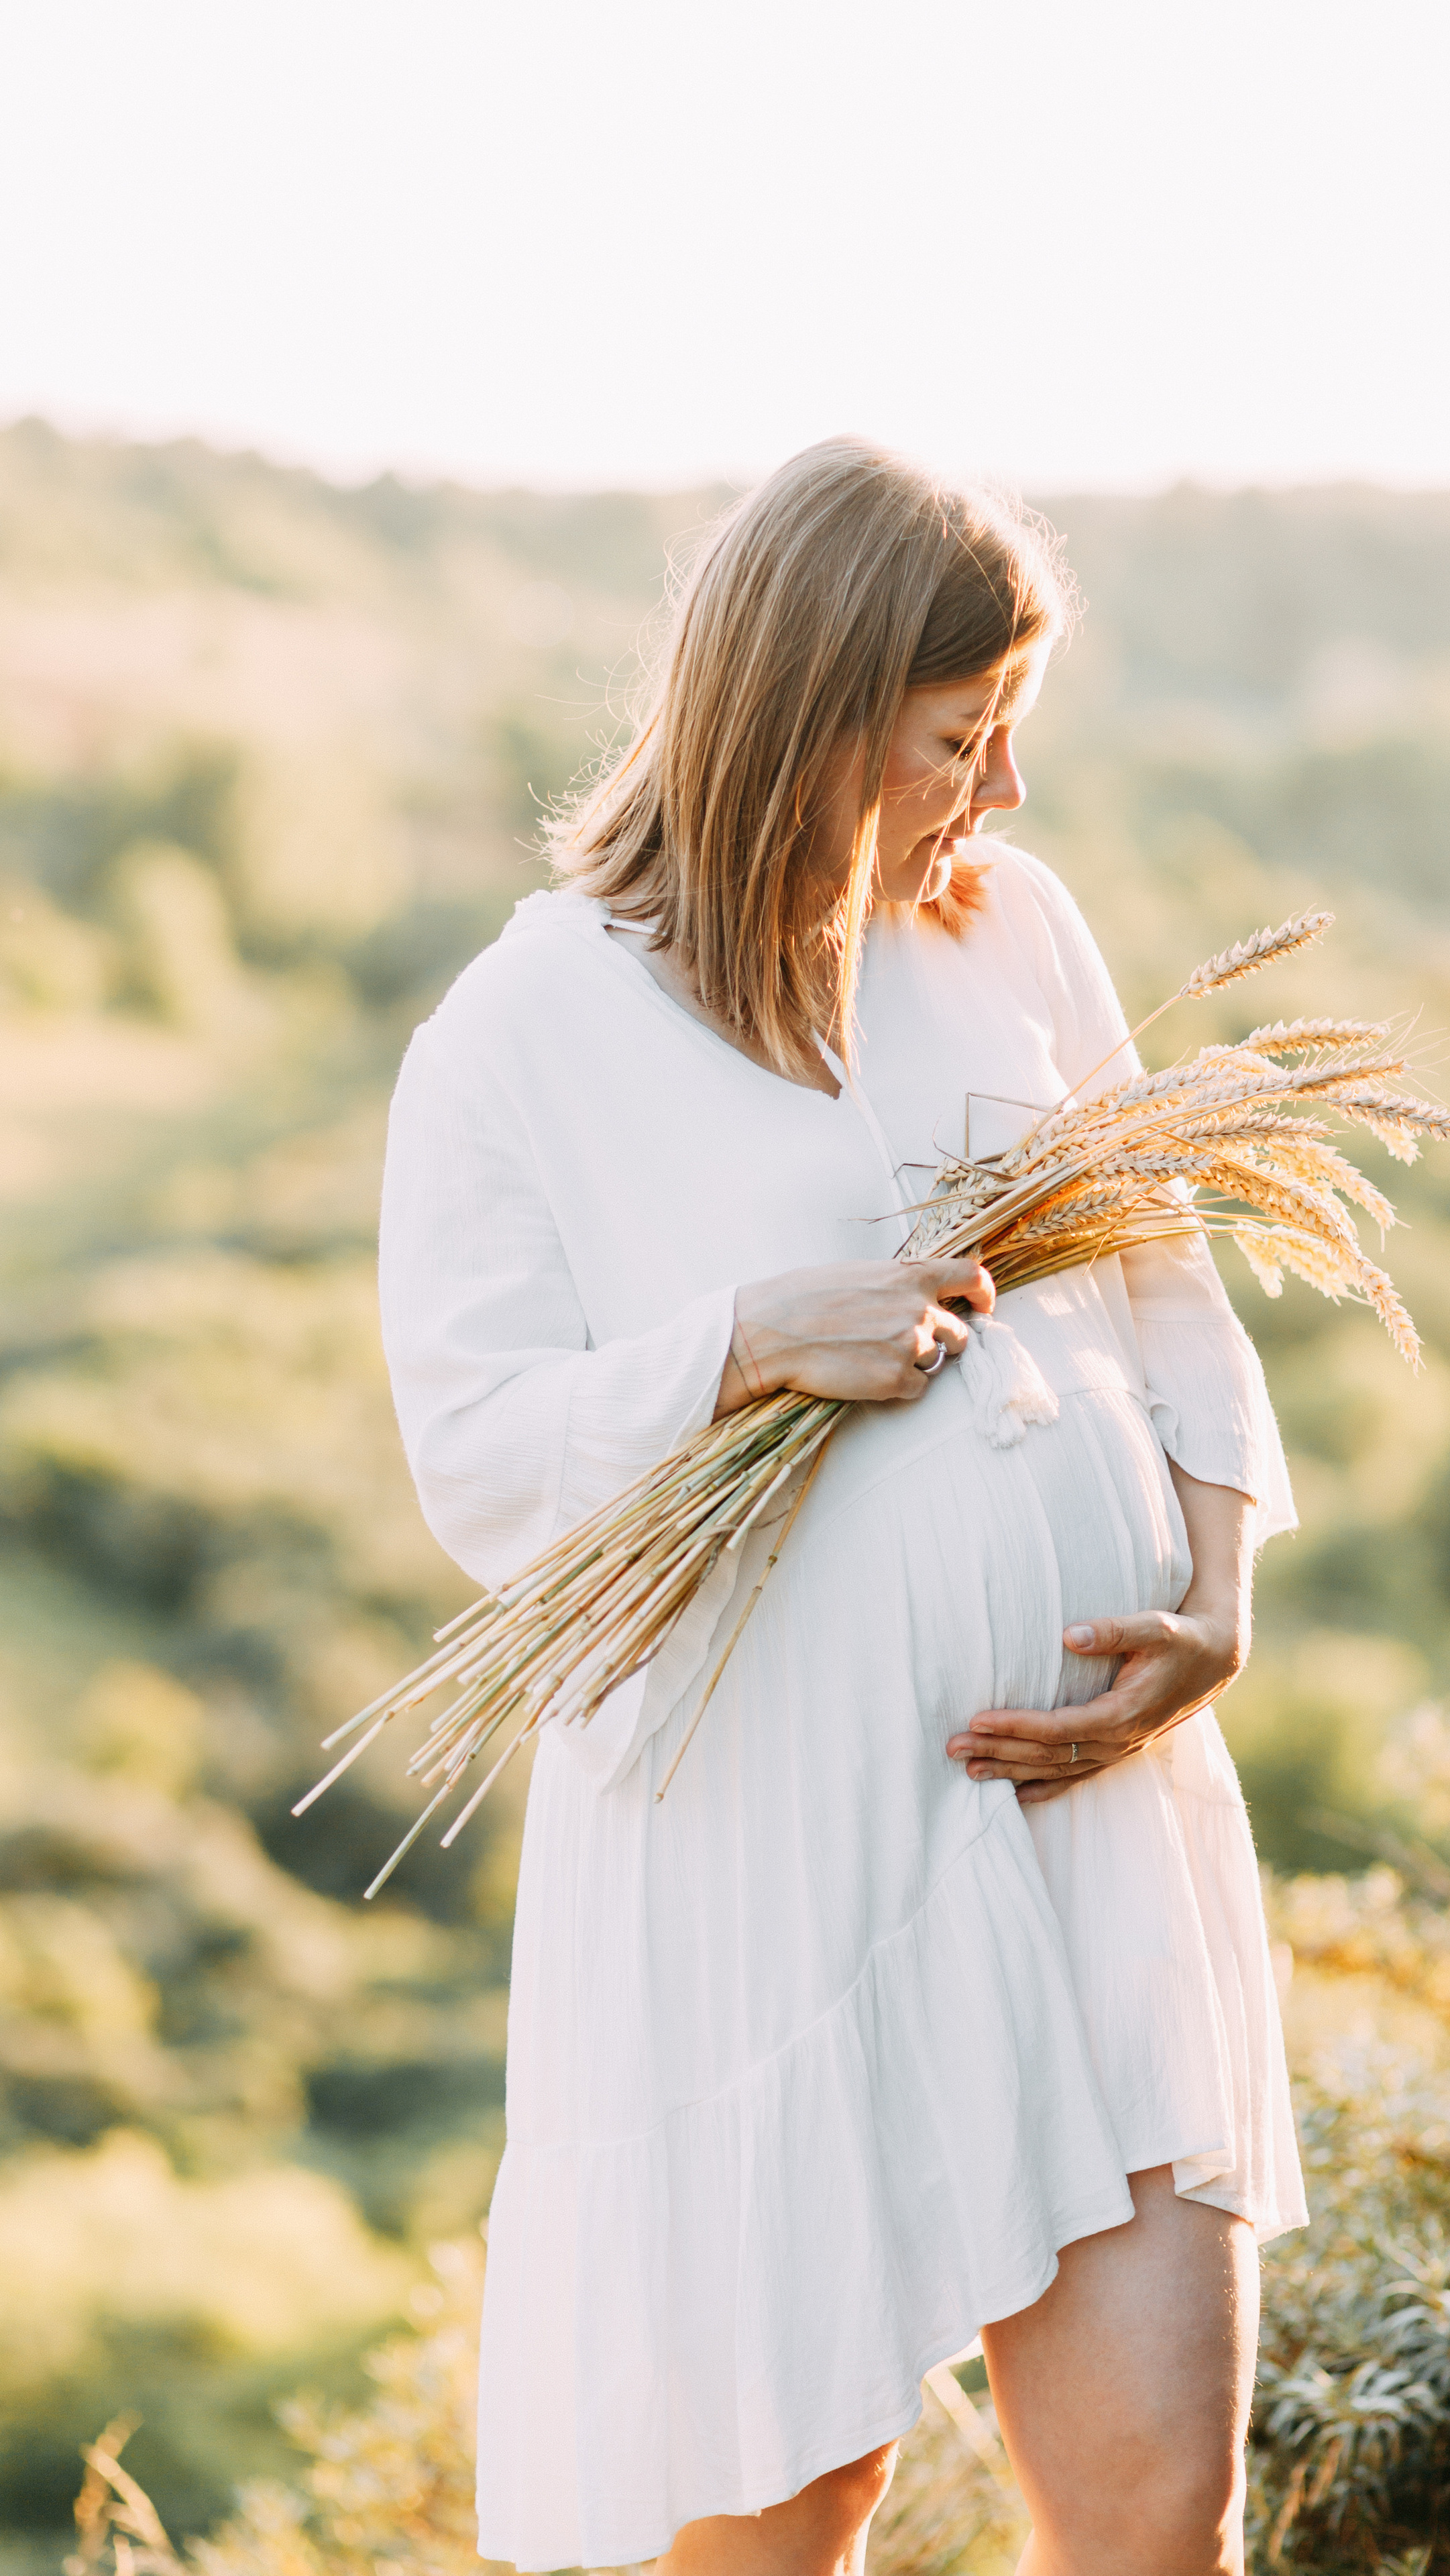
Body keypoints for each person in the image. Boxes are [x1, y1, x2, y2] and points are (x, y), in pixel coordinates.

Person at [378, 439, 1306, 2576]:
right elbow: (479, 1446)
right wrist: (741, 1344)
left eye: (1010, 733)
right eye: (960, 741)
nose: (1004, 792)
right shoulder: (520, 1036)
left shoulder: (1010, 932)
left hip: (1085, 1828)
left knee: (1161, 2517)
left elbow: (1164, 1274)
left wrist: (1216, 1593)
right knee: (787, 2523)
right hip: (767, 1880)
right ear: (802, 711)